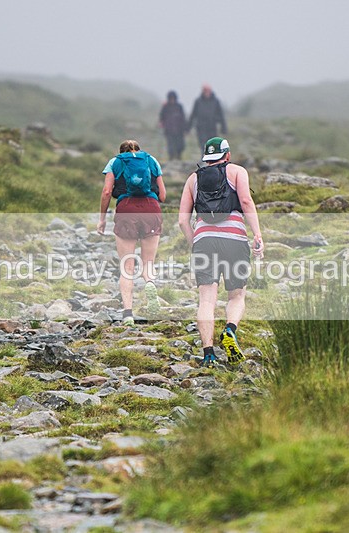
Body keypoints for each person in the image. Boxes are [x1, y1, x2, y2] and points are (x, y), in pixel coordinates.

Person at [179, 137, 263, 368]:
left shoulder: (192, 179)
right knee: (236, 295)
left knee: (206, 299)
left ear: (206, 157)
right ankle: (229, 329)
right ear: (227, 155)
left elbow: (182, 221)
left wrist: (194, 242)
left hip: (204, 240)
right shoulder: (237, 171)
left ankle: (208, 354)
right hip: (234, 240)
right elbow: (245, 201)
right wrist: (257, 234)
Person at [98, 140, 166, 326]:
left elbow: (106, 192)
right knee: (148, 262)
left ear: (121, 151)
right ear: (139, 150)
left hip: (126, 209)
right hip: (151, 209)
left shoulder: (115, 162)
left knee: (126, 266)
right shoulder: (152, 160)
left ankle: (128, 313)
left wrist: (102, 218)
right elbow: (163, 196)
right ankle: (150, 284)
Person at [186, 84, 227, 151]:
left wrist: (224, 128)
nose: (206, 92)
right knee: (203, 145)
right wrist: (188, 128)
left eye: (208, 90)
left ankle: (212, 159)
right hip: (201, 128)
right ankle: (205, 159)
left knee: (213, 144)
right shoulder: (198, 101)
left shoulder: (216, 101)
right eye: (205, 90)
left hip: (212, 127)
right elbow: (193, 115)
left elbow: (221, 115)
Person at [158, 90, 187, 160]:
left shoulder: (179, 106)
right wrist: (161, 122)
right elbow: (161, 116)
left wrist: (185, 128)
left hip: (179, 129)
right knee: (170, 145)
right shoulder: (165, 107)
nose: (172, 100)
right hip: (169, 130)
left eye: (173, 98)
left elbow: (183, 118)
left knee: (180, 145)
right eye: (170, 98)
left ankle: (178, 155)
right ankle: (171, 157)